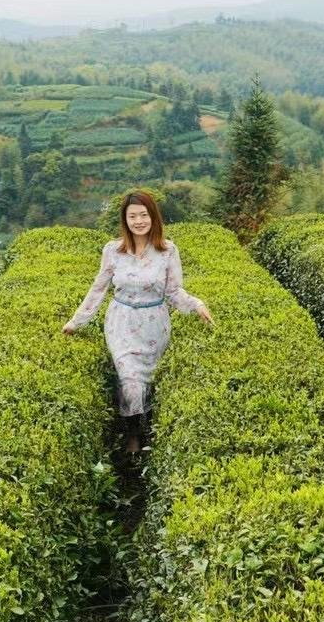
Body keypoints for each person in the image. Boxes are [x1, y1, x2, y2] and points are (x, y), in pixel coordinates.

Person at [62, 190, 214, 454]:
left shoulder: (167, 251)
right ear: (125, 220)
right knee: (129, 378)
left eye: (144, 215)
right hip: (121, 321)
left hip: (154, 323)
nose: (139, 221)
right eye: (133, 216)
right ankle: (133, 434)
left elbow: (174, 292)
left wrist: (196, 304)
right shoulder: (113, 251)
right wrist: (77, 322)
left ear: (153, 217)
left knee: (149, 379)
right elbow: (98, 289)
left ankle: (151, 430)